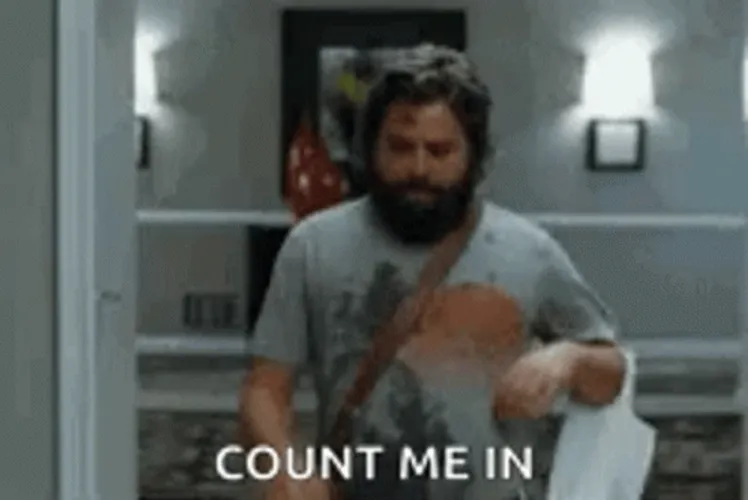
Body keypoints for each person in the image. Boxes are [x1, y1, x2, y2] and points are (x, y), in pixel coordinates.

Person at [239, 44, 626, 500]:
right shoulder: (312, 246)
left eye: (440, 151)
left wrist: (569, 360)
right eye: (400, 148)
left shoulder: (529, 251)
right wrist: (281, 466)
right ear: (369, 150)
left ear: (474, 157)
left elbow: (610, 375)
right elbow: (265, 387)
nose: (418, 168)